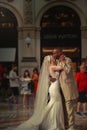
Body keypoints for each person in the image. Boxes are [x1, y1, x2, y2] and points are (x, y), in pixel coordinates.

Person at [13, 54, 65, 130]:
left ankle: (52, 122)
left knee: (55, 103)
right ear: (50, 60)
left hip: (55, 86)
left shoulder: (52, 66)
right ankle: (51, 122)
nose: (54, 59)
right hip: (54, 87)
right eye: (52, 58)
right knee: (56, 102)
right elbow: (61, 67)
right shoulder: (51, 66)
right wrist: (62, 60)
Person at [54, 48, 78, 130]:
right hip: (59, 87)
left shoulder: (68, 60)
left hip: (67, 87)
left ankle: (72, 126)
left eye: (56, 52)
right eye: (54, 53)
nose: (55, 54)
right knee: (63, 107)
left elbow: (68, 71)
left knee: (69, 108)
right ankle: (65, 123)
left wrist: (63, 62)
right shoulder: (57, 62)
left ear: (61, 52)